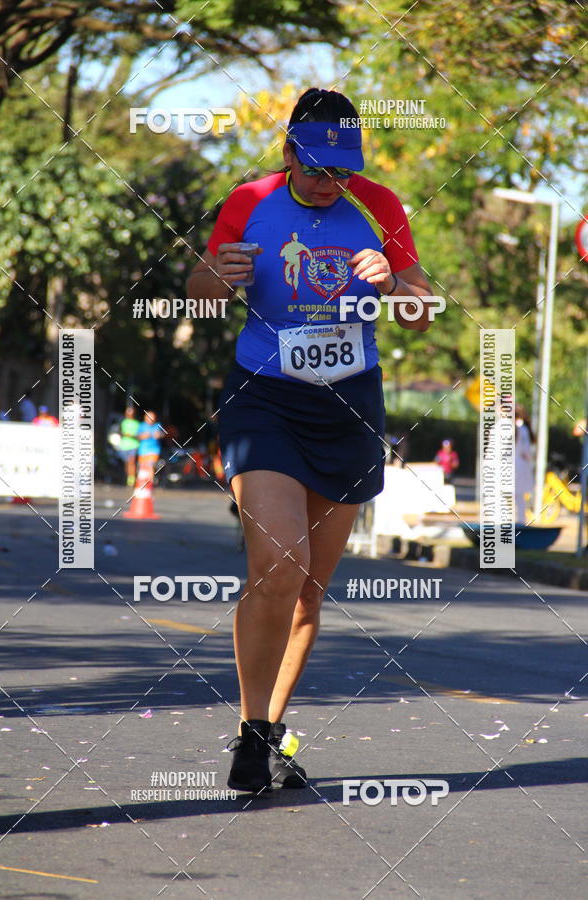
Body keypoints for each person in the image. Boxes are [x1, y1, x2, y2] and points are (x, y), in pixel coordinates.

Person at [187, 87, 433, 793]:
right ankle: (251, 729)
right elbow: (201, 287)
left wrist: (395, 283)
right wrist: (216, 277)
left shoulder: (379, 207)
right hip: (262, 398)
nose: (331, 183)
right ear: (290, 153)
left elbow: (419, 314)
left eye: (343, 171)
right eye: (319, 168)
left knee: (306, 596)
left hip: (349, 405)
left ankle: (265, 729)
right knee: (277, 563)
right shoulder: (249, 200)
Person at [515, 405, 534, 522]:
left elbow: (524, 450)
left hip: (516, 466)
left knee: (516, 496)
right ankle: (521, 521)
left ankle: (520, 522)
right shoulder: (524, 429)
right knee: (519, 497)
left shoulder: (520, 429)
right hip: (521, 465)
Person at [136, 410, 164, 482]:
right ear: (145, 418)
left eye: (153, 418)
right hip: (143, 450)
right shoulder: (141, 425)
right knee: (142, 466)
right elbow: (137, 436)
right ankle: (142, 482)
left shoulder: (158, 425)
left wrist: (159, 435)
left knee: (150, 465)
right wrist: (144, 436)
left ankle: (150, 482)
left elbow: (163, 434)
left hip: (154, 449)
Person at [118, 407, 140, 487]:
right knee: (127, 463)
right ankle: (128, 476)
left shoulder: (136, 423)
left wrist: (132, 435)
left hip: (133, 445)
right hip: (124, 445)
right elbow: (121, 432)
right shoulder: (123, 422)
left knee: (132, 462)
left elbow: (138, 435)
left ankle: (131, 479)